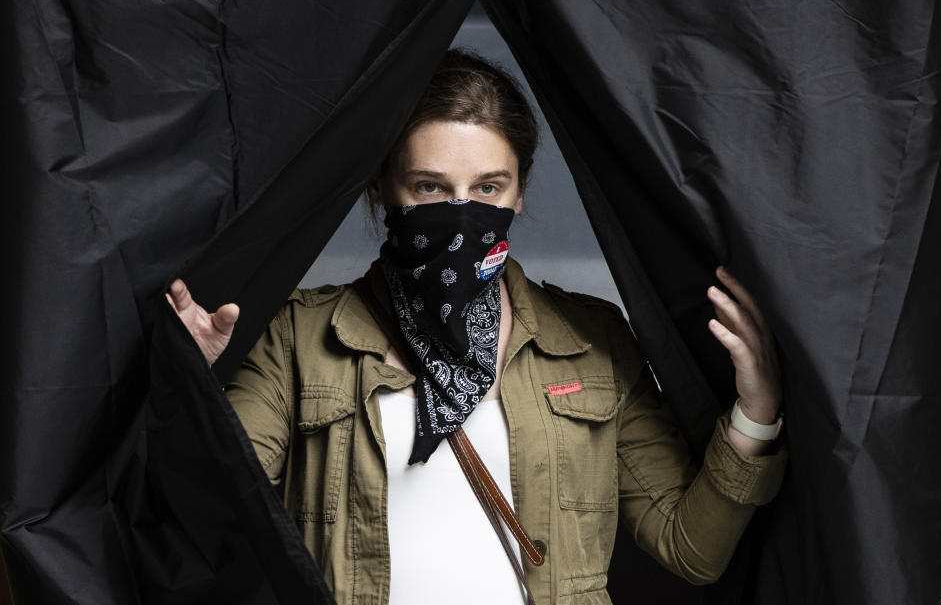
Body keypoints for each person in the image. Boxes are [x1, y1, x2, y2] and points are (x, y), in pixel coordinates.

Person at [167, 48, 787, 605]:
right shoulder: (297, 338)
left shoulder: (593, 341)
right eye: (431, 187)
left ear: (519, 193)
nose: (461, 214)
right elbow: (210, 521)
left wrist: (756, 409)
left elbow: (692, 550)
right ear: (384, 187)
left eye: (488, 187)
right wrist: (190, 386)